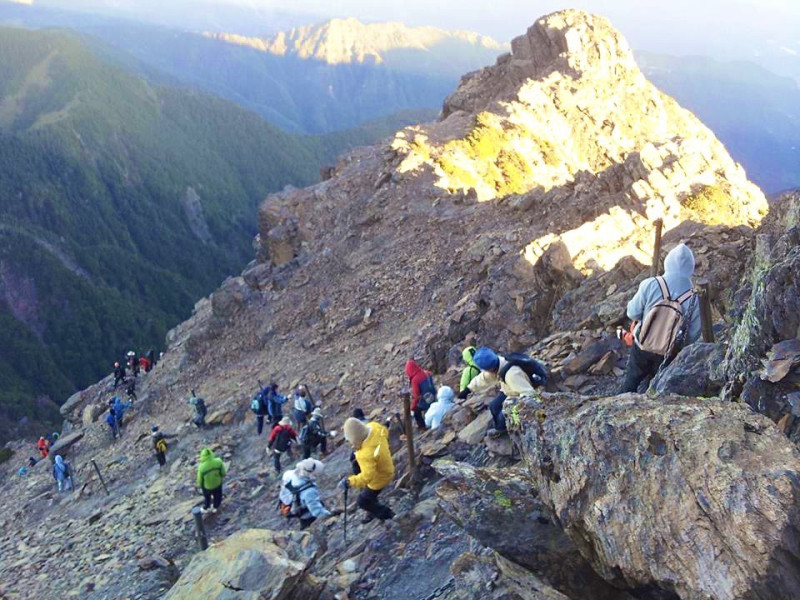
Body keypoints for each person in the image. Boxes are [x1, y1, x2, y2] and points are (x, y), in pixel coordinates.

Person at [620, 244, 702, 393]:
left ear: (668, 262)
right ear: (691, 268)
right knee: (658, 391)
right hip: (669, 353)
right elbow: (692, 335)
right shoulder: (695, 298)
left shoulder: (650, 284)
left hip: (642, 345)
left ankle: (618, 408)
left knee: (630, 382)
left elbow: (632, 313)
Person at [457, 347, 545, 436]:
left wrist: (541, 416)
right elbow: (483, 378)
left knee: (504, 413)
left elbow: (529, 394)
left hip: (519, 395)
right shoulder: (498, 363)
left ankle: (515, 429)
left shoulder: (512, 375)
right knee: (493, 406)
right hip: (509, 390)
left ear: (489, 369)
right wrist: (468, 390)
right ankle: (501, 428)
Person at [339, 417, 395, 524]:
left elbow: (367, 477)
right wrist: (387, 423)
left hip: (382, 477)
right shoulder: (374, 427)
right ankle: (372, 501)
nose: (351, 443)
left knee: (362, 501)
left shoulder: (365, 454)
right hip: (386, 465)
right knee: (354, 461)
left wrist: (349, 482)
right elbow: (385, 431)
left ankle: (388, 515)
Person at [279, 458, 333, 529]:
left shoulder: (288, 474)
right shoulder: (309, 491)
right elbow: (317, 511)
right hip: (306, 513)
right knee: (307, 526)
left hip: (290, 505)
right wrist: (331, 516)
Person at [404, 360, 436, 430]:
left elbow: (416, 396)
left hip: (426, 400)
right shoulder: (426, 372)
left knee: (416, 412)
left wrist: (412, 407)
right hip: (434, 396)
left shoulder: (415, 380)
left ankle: (422, 426)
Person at [196, 447, 226, 514]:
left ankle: (206, 507)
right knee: (218, 496)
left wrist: (200, 486)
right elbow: (223, 473)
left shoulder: (201, 467)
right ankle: (215, 507)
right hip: (218, 484)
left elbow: (200, 480)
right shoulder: (218, 461)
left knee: (207, 497)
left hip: (207, 487)